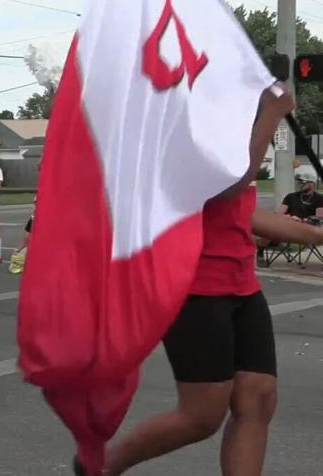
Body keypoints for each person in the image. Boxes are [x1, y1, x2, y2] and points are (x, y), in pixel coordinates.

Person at [91, 86, 295, 476]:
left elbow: (243, 215)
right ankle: (100, 466)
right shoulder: (178, 138)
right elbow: (230, 186)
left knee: (258, 399)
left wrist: (317, 234)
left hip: (243, 287)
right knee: (202, 416)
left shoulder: (231, 138)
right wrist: (272, 114)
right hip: (195, 288)